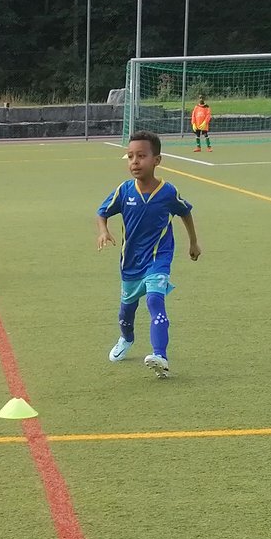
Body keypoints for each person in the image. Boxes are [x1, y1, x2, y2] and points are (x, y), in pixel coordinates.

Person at [96, 130, 201, 377]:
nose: (135, 162)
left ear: (157, 160)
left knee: (155, 300)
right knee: (126, 312)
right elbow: (102, 212)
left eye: (141, 156)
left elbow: (185, 211)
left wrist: (193, 243)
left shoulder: (168, 192)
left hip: (158, 259)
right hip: (131, 262)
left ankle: (160, 356)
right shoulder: (124, 191)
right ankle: (126, 338)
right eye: (130, 156)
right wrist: (103, 231)